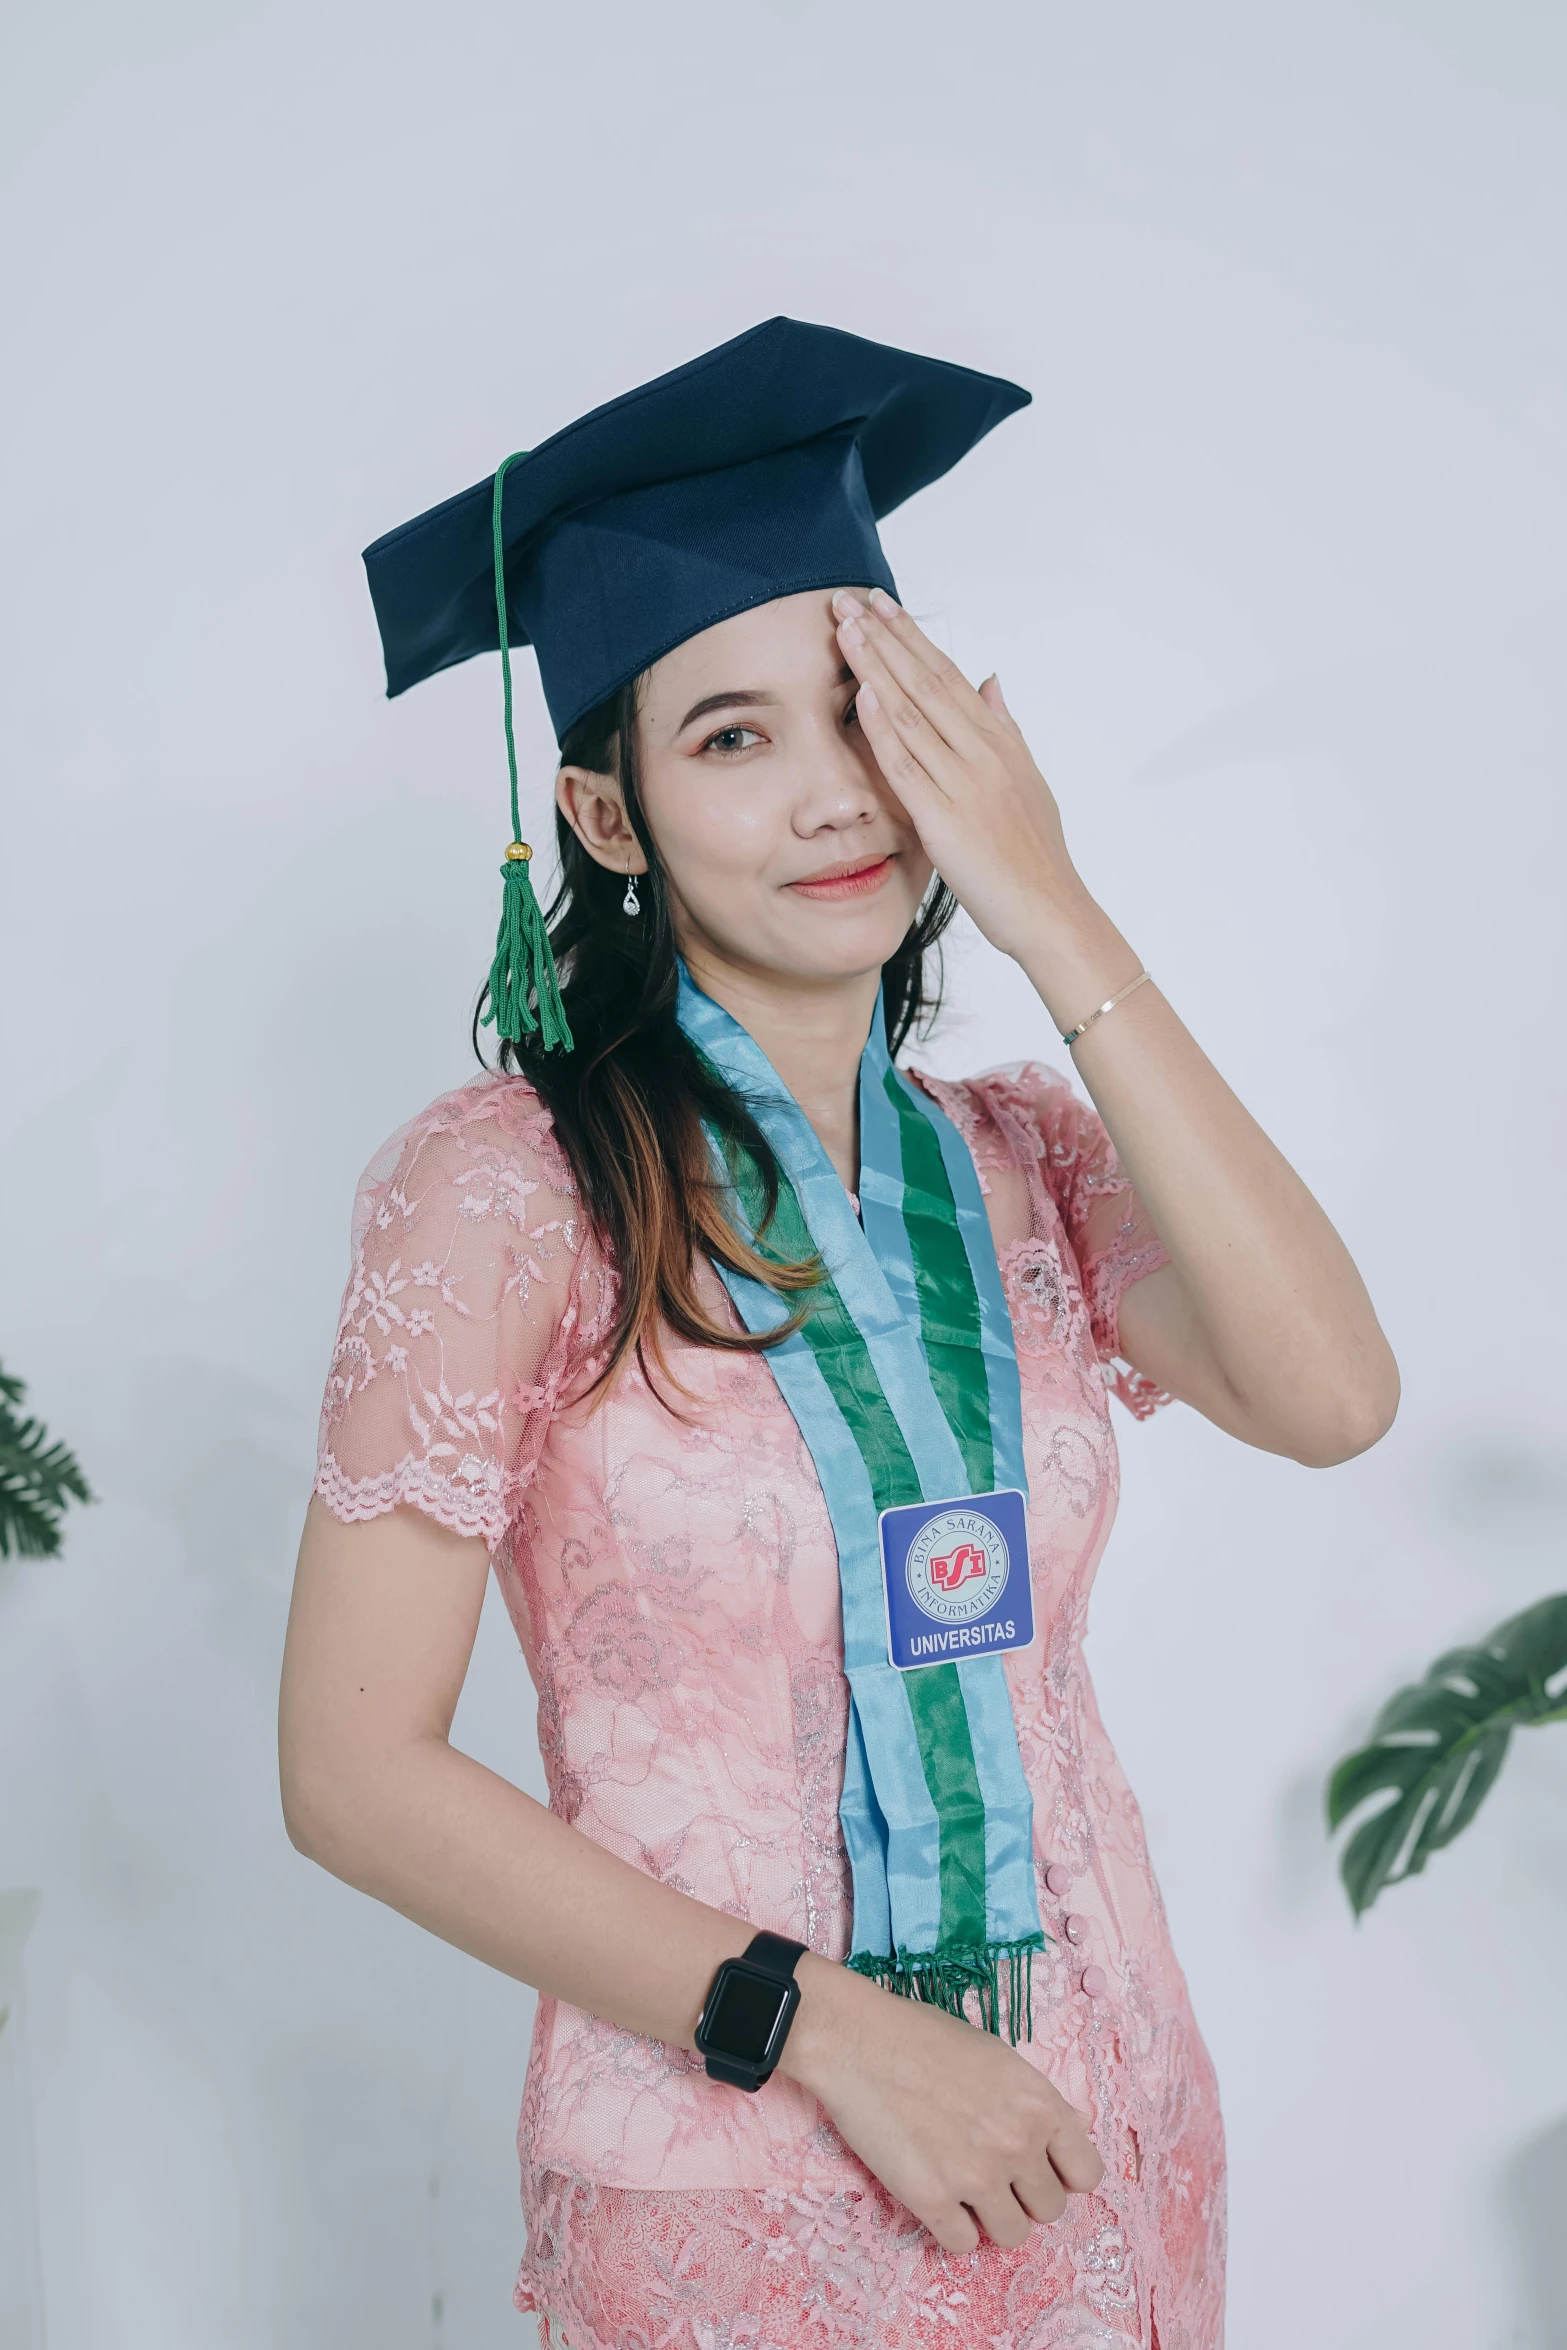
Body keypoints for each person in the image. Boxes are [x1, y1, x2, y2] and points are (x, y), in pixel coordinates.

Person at [278, 319, 1398, 2349]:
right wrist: (826, 2027)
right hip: (737, 2168)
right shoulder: (502, 1188)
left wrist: (1058, 911)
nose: (832, 797)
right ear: (607, 823)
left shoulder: (1031, 1159)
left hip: (1096, 2125)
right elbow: (353, 1769)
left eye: (864, 710)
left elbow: (1332, 1393)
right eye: (732, 738)